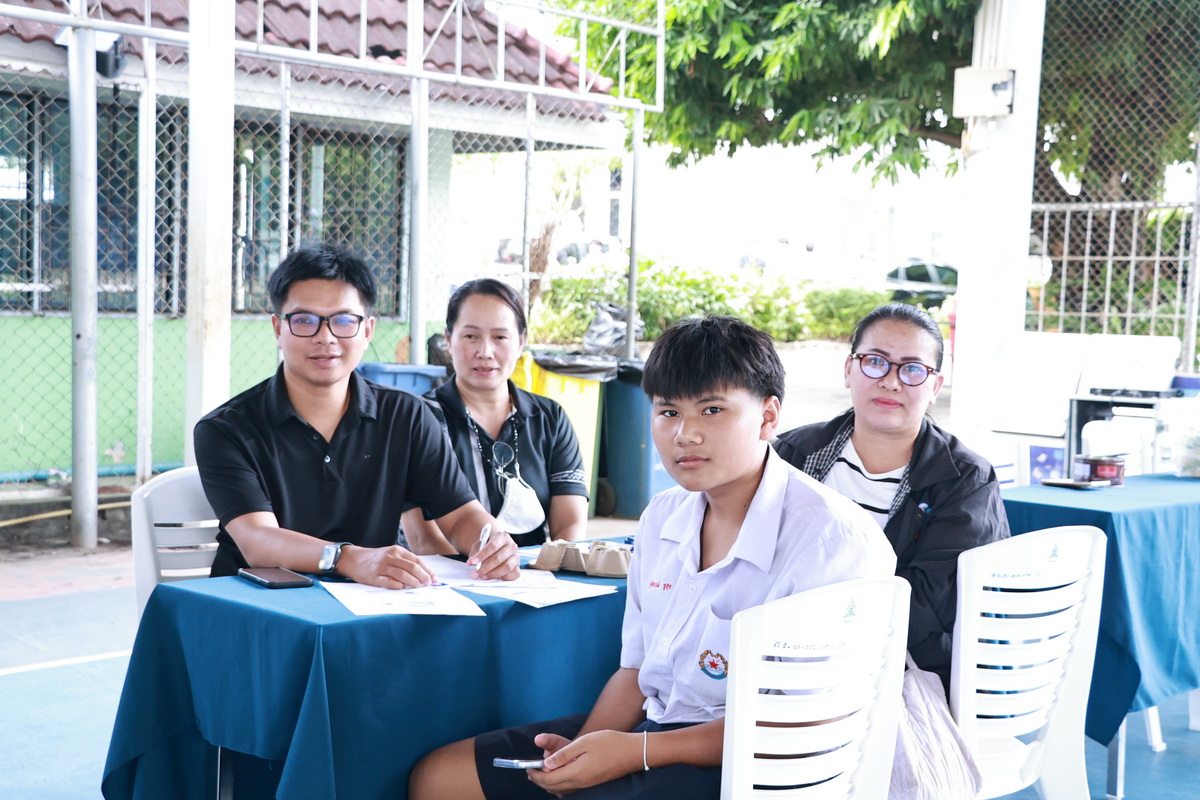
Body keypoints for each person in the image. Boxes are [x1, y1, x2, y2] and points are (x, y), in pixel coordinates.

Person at [408, 316, 896, 800]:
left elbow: (797, 725)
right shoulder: (663, 515)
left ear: (768, 417)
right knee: (439, 777)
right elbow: (636, 674)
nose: (685, 434)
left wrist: (636, 753)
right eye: (668, 412)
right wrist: (578, 757)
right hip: (655, 730)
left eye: (711, 410)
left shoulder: (833, 542)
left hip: (754, 767)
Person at [193, 244, 519, 586]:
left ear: (367, 330)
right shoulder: (226, 429)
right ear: (278, 329)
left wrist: (491, 541)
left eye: (344, 321)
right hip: (258, 603)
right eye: (304, 320)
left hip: (373, 601)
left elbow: (461, 514)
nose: (325, 337)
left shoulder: (406, 416)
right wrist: (347, 559)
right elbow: (258, 542)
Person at [773, 302, 1010, 689]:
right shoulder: (791, 456)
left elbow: (930, 606)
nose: (891, 381)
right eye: (875, 362)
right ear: (849, 370)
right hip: (779, 652)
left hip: (900, 673)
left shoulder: (965, 480)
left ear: (935, 387)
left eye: (912, 369)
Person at [401, 279, 588, 553]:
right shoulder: (418, 419)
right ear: (449, 340)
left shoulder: (550, 418)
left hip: (534, 573)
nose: (485, 352)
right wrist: (482, 573)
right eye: (471, 336)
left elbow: (570, 525)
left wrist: (550, 567)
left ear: (521, 342)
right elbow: (423, 539)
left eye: (500, 337)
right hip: (445, 574)